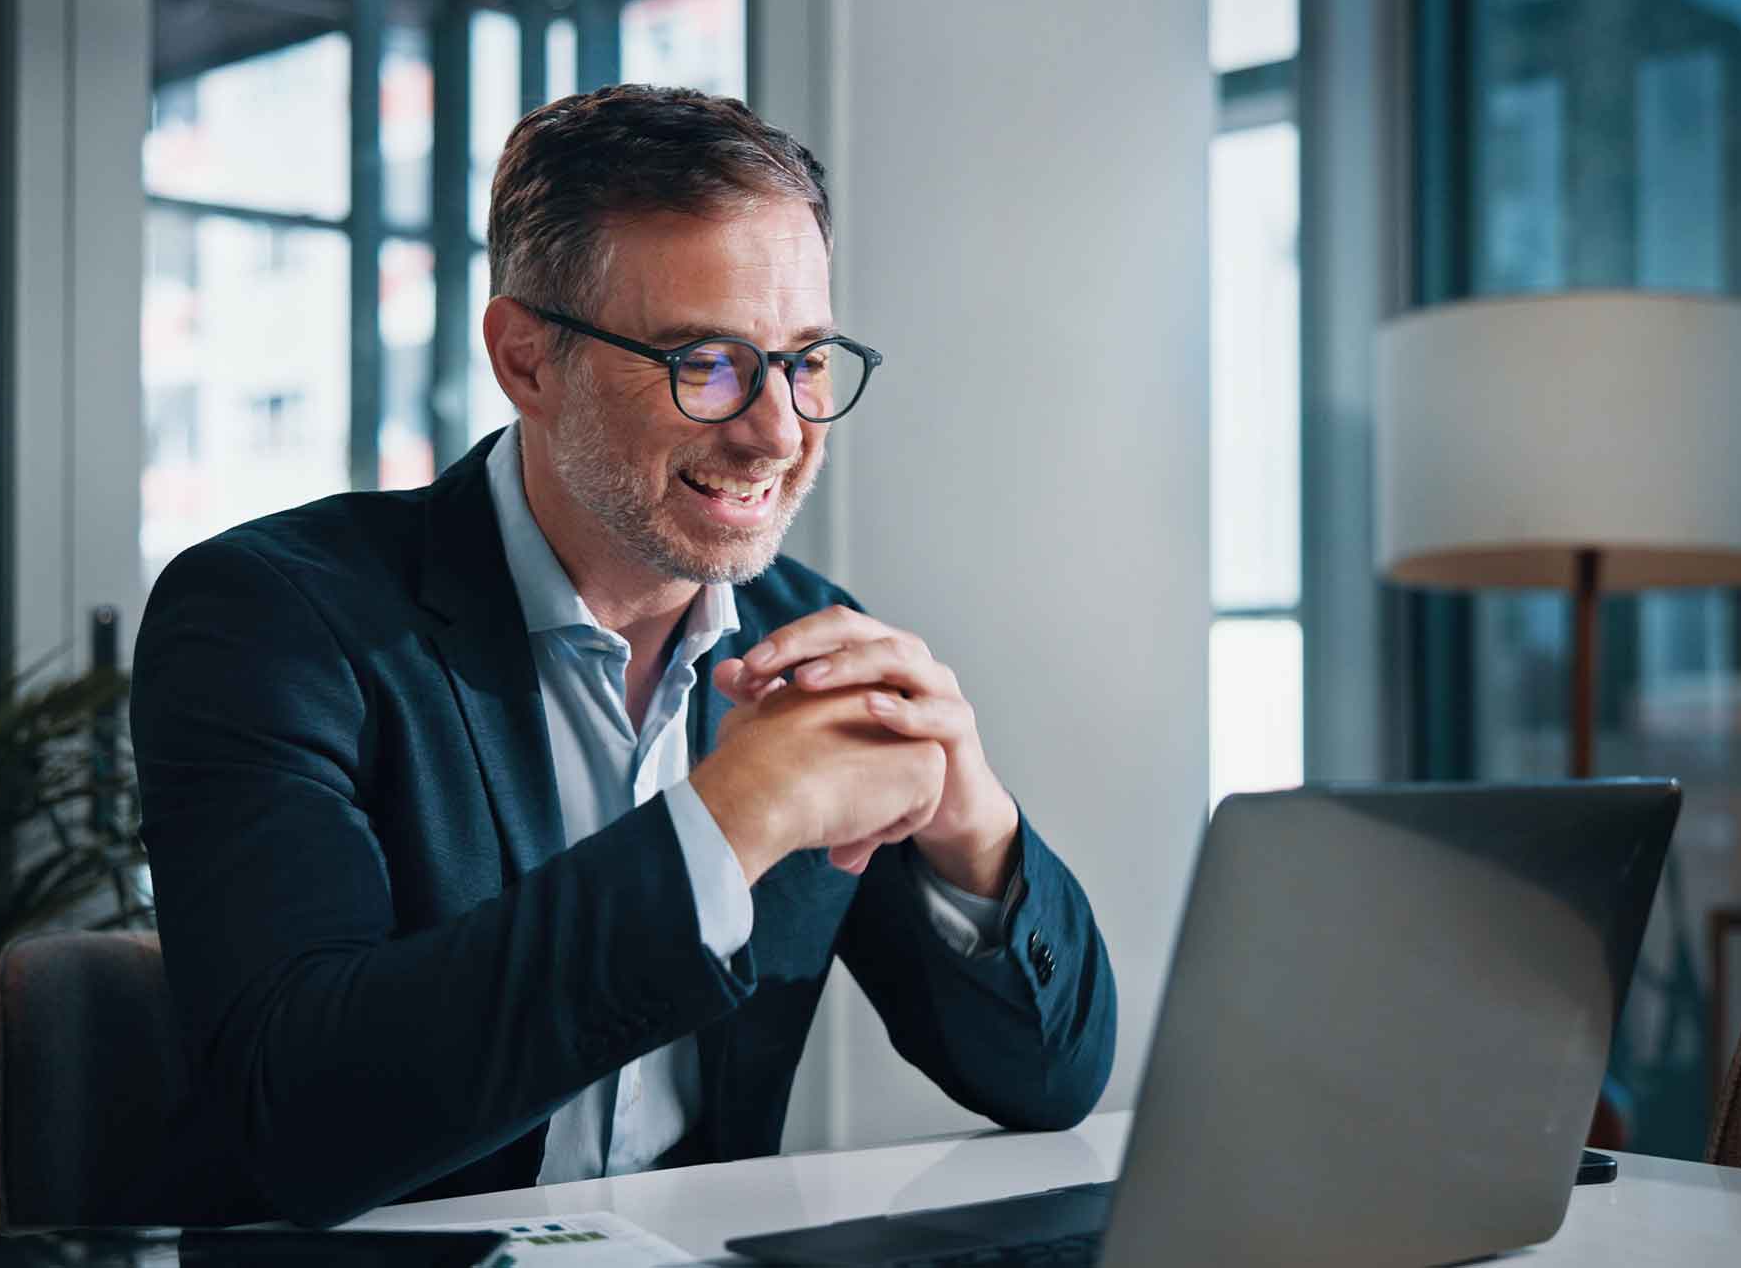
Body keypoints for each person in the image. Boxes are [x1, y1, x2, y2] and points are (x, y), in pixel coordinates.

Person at [131, 84, 1116, 1228]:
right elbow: (298, 1116)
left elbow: (1047, 1081)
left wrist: (974, 834)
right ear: (526, 361)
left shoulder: (806, 636)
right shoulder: (275, 618)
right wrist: (728, 821)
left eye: (803, 360)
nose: (777, 431)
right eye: (705, 363)